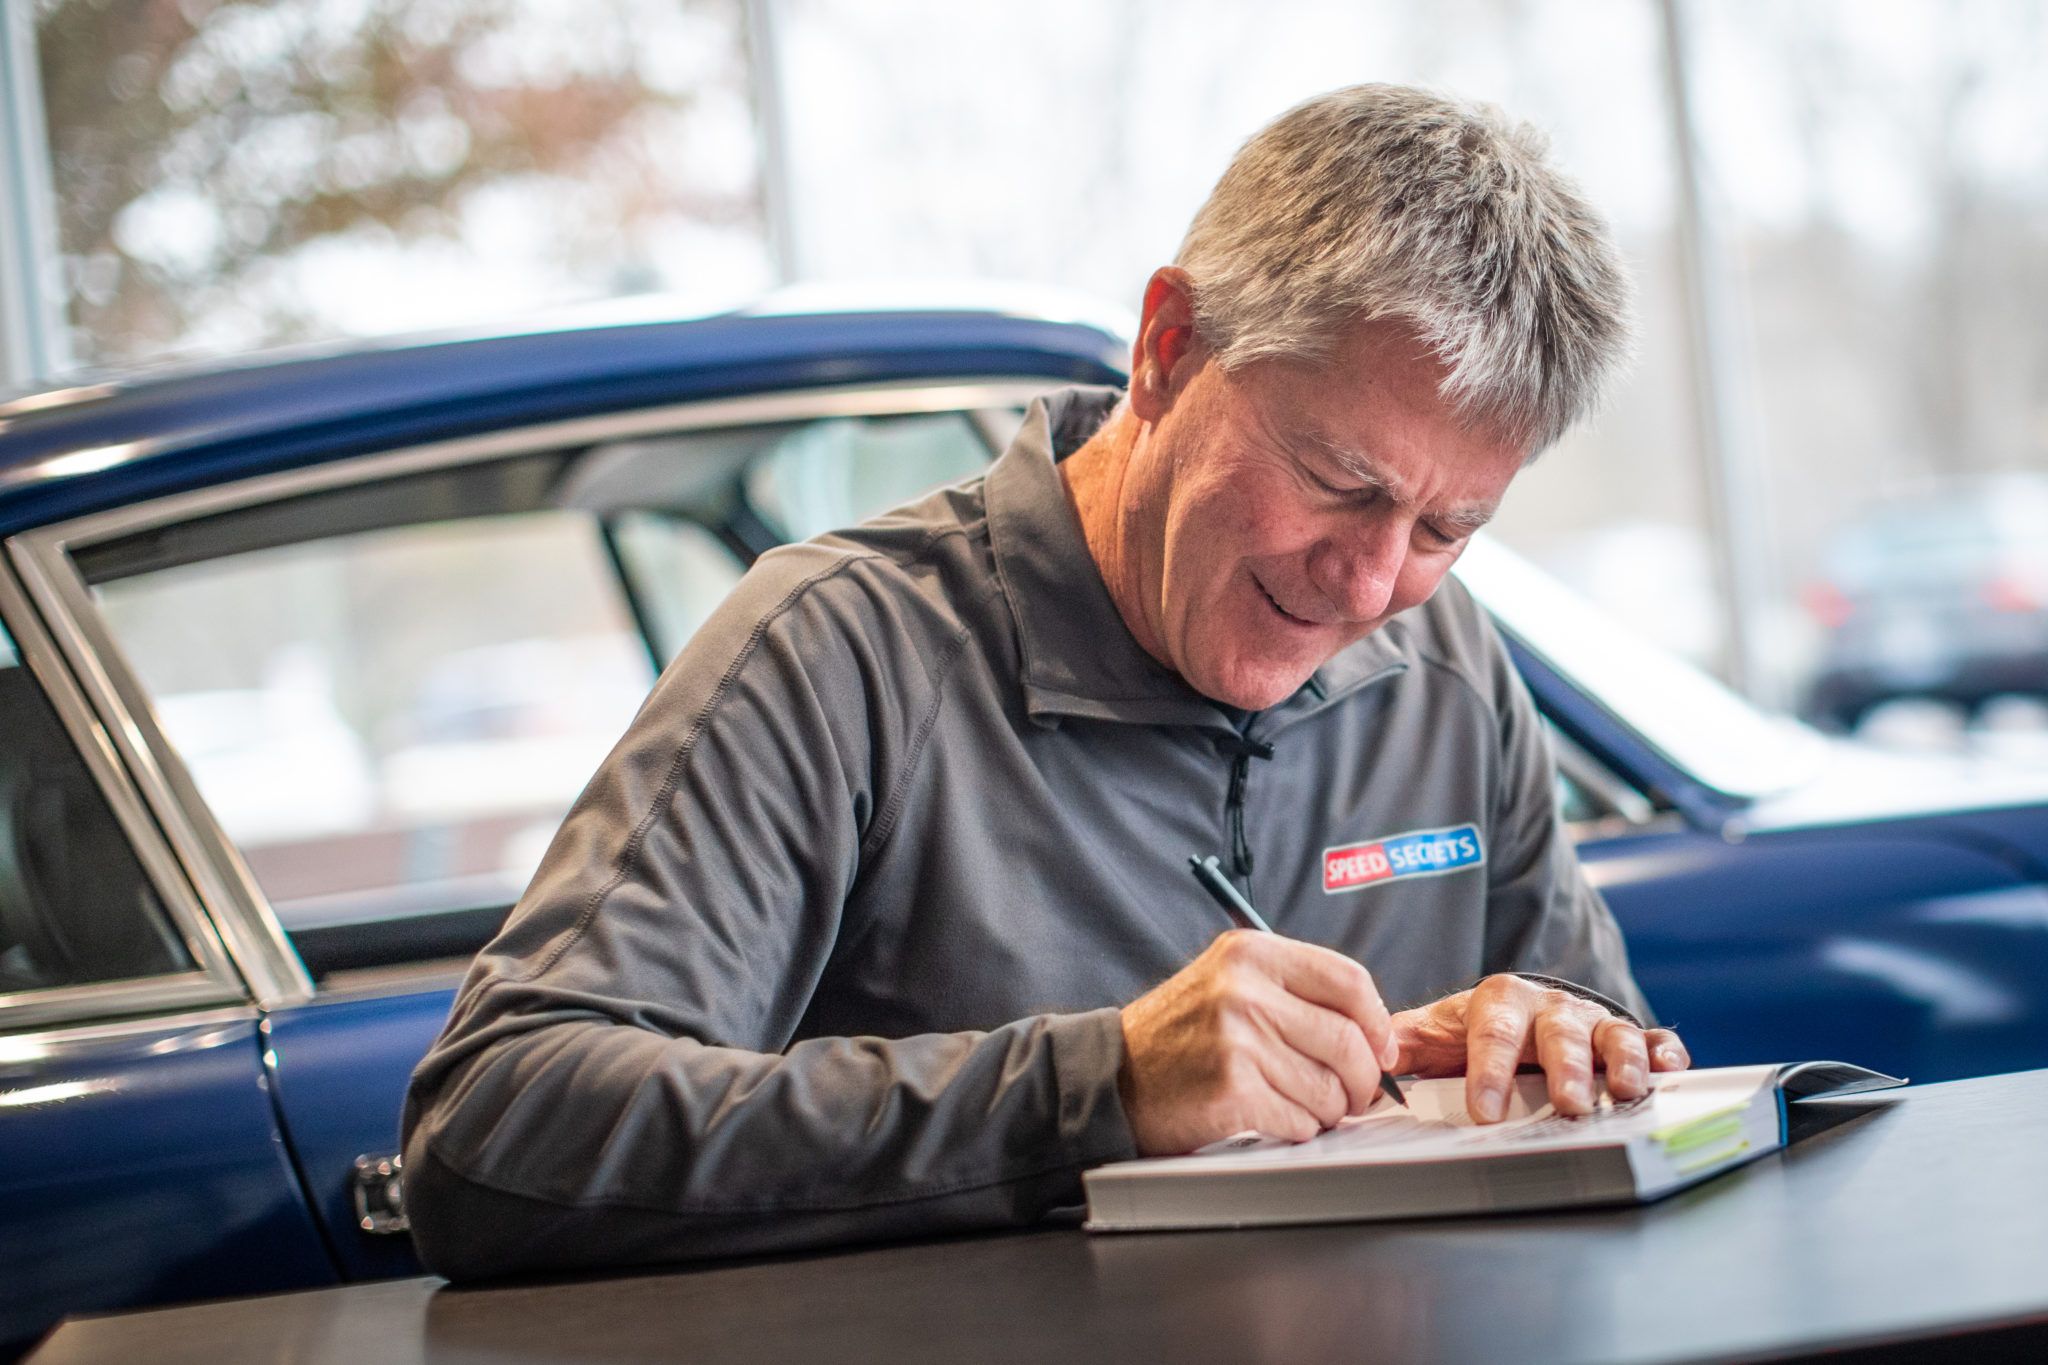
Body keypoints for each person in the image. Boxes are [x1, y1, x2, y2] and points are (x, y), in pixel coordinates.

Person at [402, 83, 1689, 1280]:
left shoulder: (1447, 663)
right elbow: (495, 1129)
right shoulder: (843, 653)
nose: (1367, 587)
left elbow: (1614, 1062)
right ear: (1168, 349)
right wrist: (1096, 1090)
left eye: (1441, 530)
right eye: (1340, 485)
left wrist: (1562, 1044)